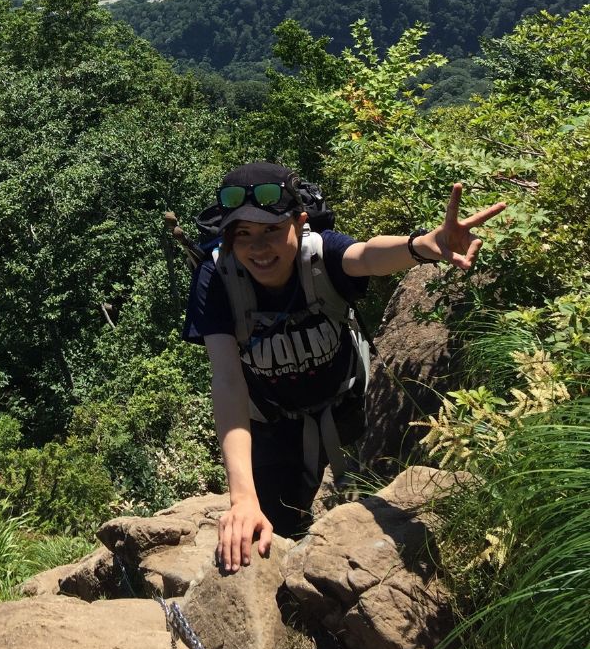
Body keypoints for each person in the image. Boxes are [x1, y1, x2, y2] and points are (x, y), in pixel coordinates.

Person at [182, 162, 506, 573]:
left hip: (343, 407)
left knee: (362, 503)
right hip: (271, 423)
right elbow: (228, 380)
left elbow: (365, 255)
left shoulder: (319, 253)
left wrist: (421, 246)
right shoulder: (218, 277)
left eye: (271, 230)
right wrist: (242, 498)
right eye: (242, 234)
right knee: (277, 529)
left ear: (300, 224)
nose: (258, 248)